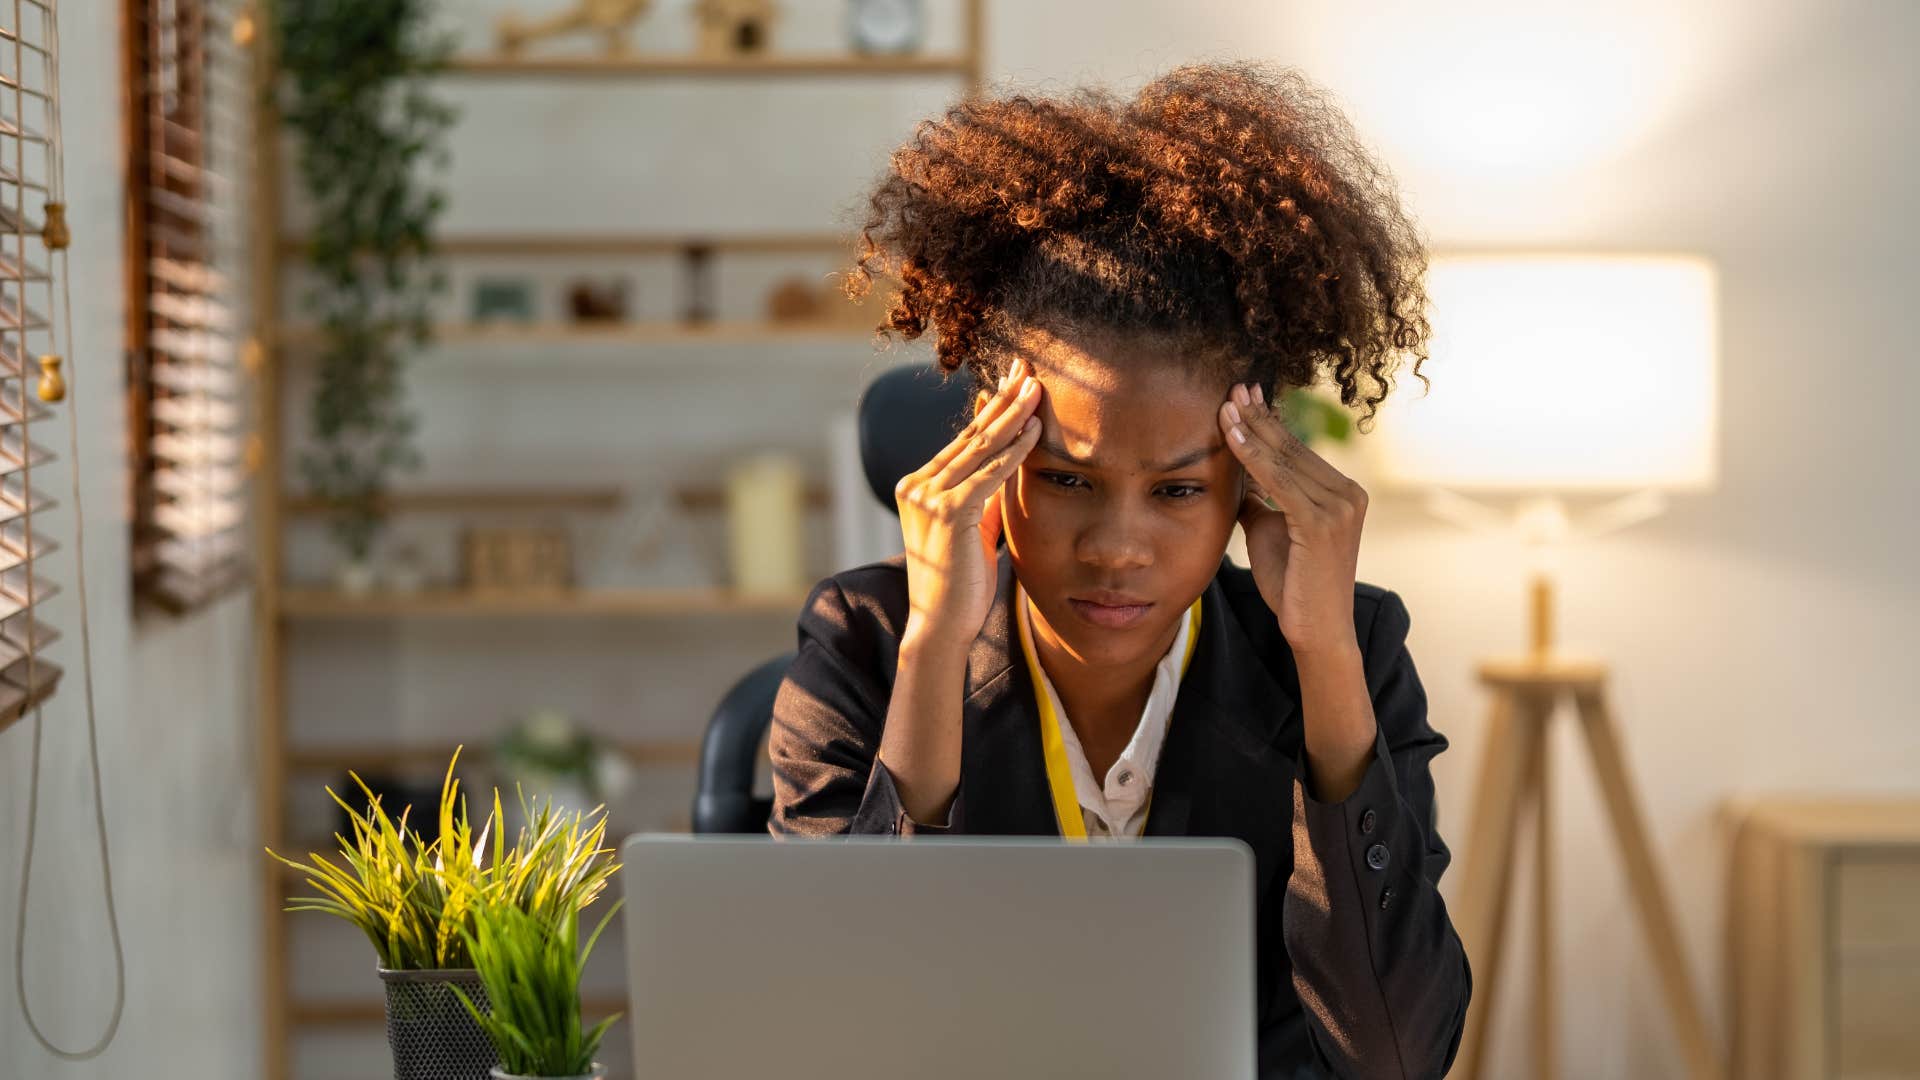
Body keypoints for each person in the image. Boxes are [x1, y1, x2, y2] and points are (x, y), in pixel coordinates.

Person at [767, 60, 1469, 1080]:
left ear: (1249, 484)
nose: (1116, 547)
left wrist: (1320, 660)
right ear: (990, 460)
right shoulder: (867, 641)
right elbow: (833, 1033)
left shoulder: (1349, 649)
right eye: (1066, 479)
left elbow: (1397, 1055)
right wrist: (933, 657)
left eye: (1180, 490)